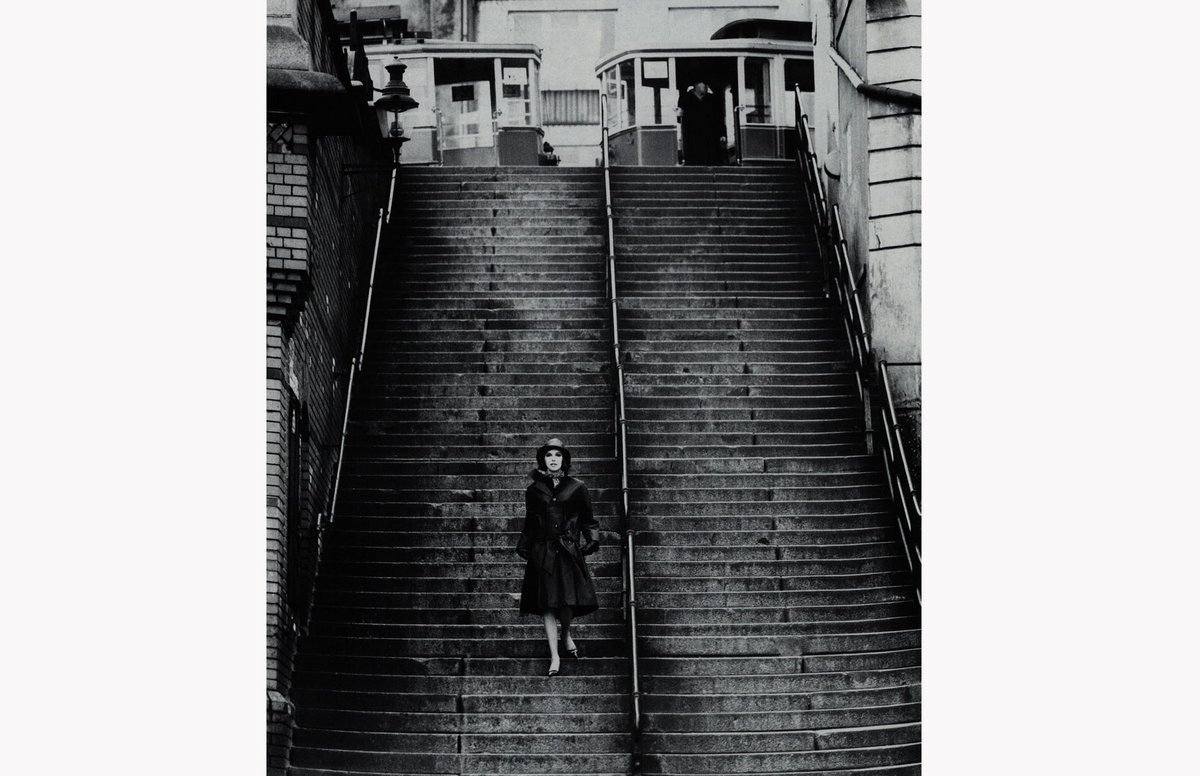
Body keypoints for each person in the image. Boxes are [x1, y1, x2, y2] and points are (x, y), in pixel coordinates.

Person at [516, 438, 600, 677]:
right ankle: (555, 655)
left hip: (567, 550)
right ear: (543, 459)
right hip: (542, 551)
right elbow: (530, 521)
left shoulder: (577, 487)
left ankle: (565, 634)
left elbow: (588, 518)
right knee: (547, 605)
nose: (553, 459)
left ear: (564, 459)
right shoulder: (533, 490)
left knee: (567, 602)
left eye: (558, 455)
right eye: (549, 455)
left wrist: (592, 538)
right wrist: (524, 544)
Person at [677, 81, 726, 165]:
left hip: (710, 136)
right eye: (703, 84)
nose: (706, 86)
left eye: (707, 84)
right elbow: (679, 118)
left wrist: (722, 134)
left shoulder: (712, 99)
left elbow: (719, 118)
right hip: (692, 136)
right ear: (695, 85)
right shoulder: (686, 98)